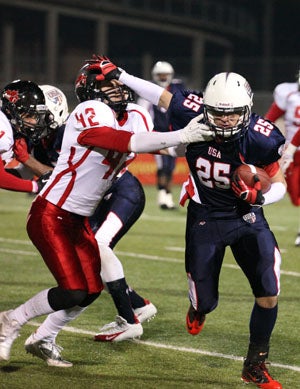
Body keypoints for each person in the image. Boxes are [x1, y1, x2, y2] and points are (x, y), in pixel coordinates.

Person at [0, 55, 210, 365]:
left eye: (117, 83)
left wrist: (198, 136)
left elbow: (154, 139)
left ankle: (43, 337)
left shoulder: (136, 114)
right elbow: (113, 139)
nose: (116, 89)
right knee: (72, 291)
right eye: (107, 84)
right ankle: (10, 322)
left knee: (92, 289)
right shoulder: (89, 111)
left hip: (78, 218)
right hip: (52, 213)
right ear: (89, 90)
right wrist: (180, 136)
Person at [96, 56, 286, 389]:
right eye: (218, 112)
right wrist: (122, 75)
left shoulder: (262, 137)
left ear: (248, 109)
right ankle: (198, 309)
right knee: (204, 300)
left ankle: (254, 364)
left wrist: (259, 199)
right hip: (205, 219)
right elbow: (161, 95)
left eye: (232, 113)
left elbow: (278, 180)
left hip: (247, 218)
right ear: (206, 107)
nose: (225, 120)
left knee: (269, 291)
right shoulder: (195, 114)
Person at [138, 61, 185, 209]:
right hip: (157, 134)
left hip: (174, 133)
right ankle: (162, 196)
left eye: (166, 75)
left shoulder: (178, 89)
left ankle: (167, 197)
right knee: (163, 165)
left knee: (170, 166)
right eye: (160, 75)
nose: (163, 77)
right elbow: (142, 110)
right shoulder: (150, 90)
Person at [265, 68, 300, 246]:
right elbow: (269, 119)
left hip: (292, 149)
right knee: (294, 195)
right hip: (292, 151)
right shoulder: (289, 94)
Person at [0, 80, 51, 194]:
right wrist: (36, 186)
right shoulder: (3, 128)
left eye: (36, 116)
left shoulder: (9, 127)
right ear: (10, 111)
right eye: (29, 115)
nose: (33, 121)